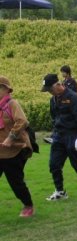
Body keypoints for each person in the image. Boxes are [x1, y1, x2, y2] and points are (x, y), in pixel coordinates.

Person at [41, 73, 77, 201]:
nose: (49, 92)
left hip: (72, 135)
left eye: (50, 89)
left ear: (58, 85)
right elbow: (55, 118)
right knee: (54, 165)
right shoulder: (53, 100)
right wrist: (54, 134)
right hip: (59, 136)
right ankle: (60, 191)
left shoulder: (72, 97)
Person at [0, 76, 35, 217]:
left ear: (6, 90)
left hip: (14, 150)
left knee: (16, 182)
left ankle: (28, 205)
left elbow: (22, 121)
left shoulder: (12, 104)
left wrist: (10, 138)